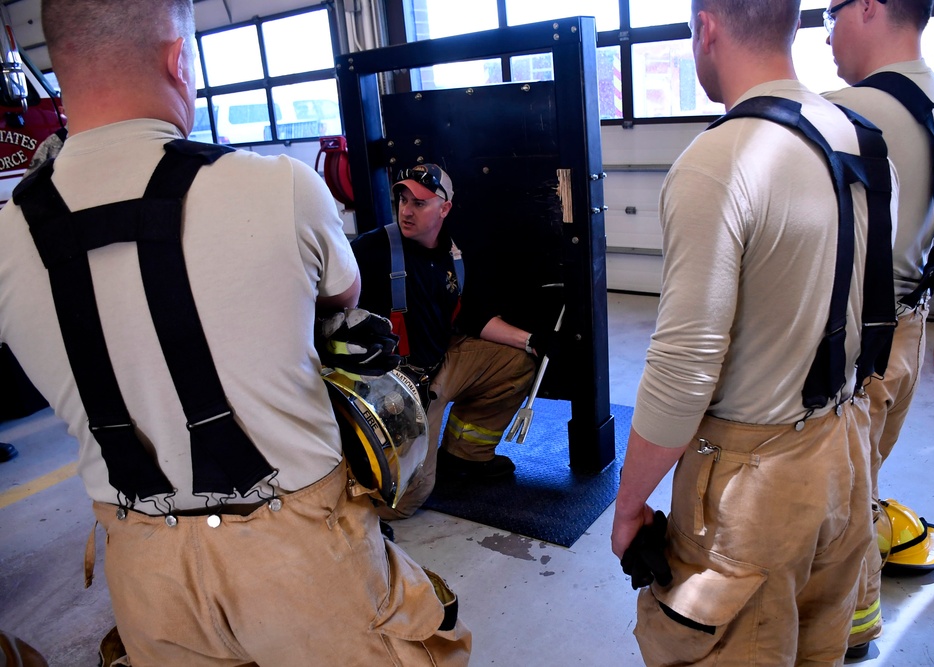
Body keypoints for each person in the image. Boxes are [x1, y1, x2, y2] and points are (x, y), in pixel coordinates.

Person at [0, 1, 471, 665]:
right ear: (178, 60)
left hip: (144, 566)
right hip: (299, 549)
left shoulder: (8, 236)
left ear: (59, 63)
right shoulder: (279, 187)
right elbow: (343, 299)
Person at [610, 0, 897, 664]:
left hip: (752, 491)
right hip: (845, 453)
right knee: (817, 645)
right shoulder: (862, 140)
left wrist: (628, 505)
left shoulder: (716, 162)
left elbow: (683, 370)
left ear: (707, 28)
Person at [822, 0, 934, 657]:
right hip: (909, 329)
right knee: (865, 476)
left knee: (842, 496)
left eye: (831, 14)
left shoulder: (844, 112)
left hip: (861, 345)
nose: (828, 35)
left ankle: (850, 627)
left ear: (869, 8)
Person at [351, 163, 540, 520]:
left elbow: (474, 317)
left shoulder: (454, 254)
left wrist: (531, 341)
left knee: (516, 362)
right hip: (395, 388)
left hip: (438, 367)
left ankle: (465, 455)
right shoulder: (369, 251)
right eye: (403, 200)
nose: (406, 211)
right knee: (400, 505)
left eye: (419, 203)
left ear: (444, 208)